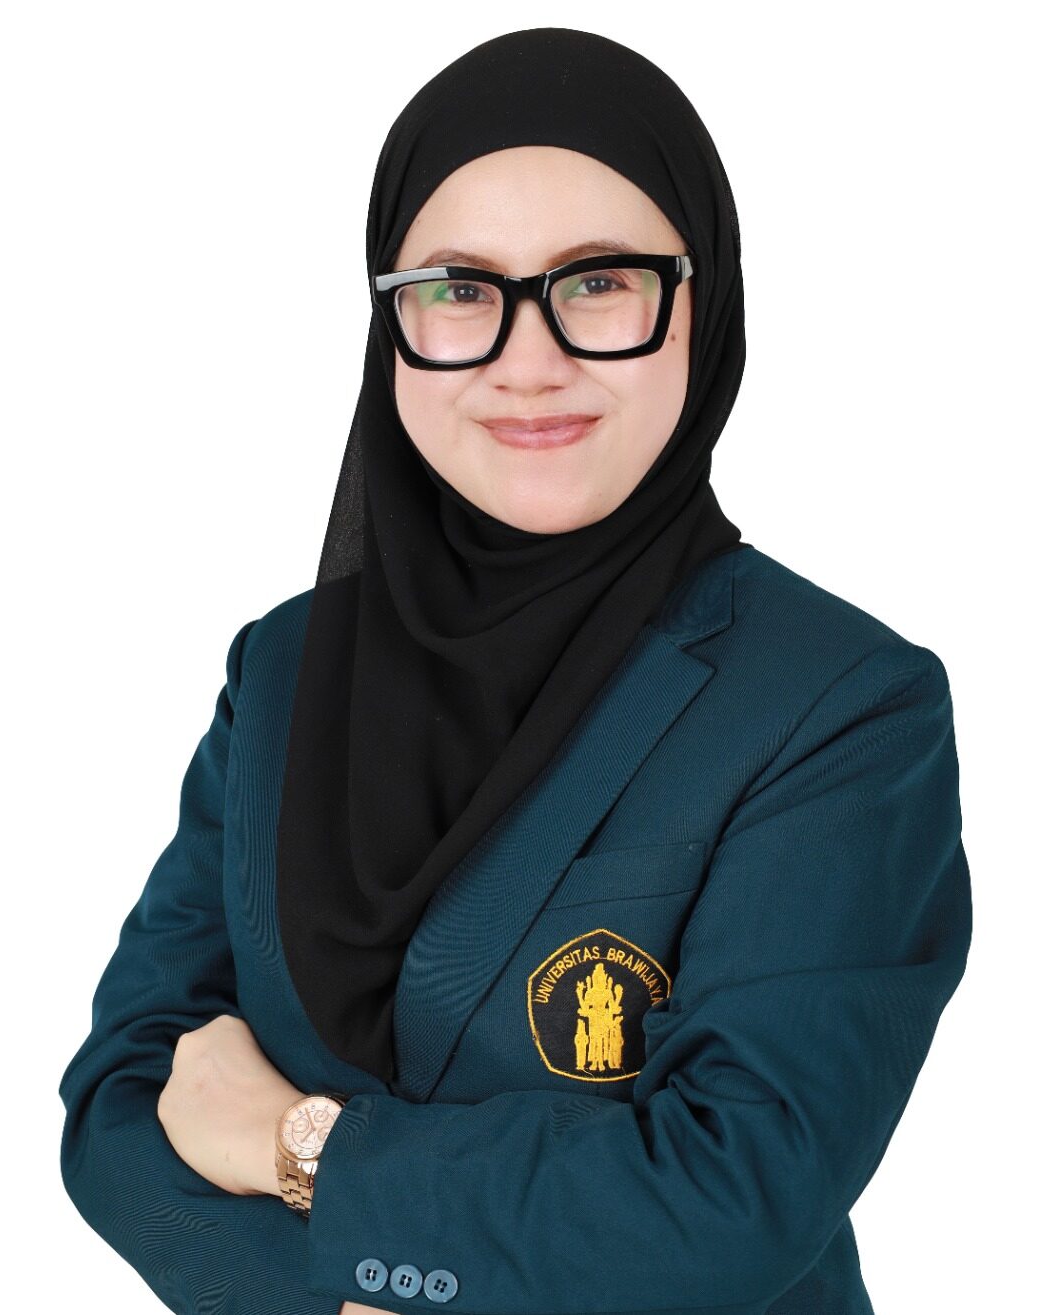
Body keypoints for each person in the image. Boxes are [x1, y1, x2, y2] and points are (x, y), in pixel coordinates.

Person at [58, 26, 973, 1315]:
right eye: (458, 289)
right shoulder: (286, 668)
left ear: (704, 306)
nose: (526, 361)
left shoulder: (840, 706)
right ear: (390, 324)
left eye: (597, 281)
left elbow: (734, 1194)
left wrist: (303, 1149)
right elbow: (120, 1100)